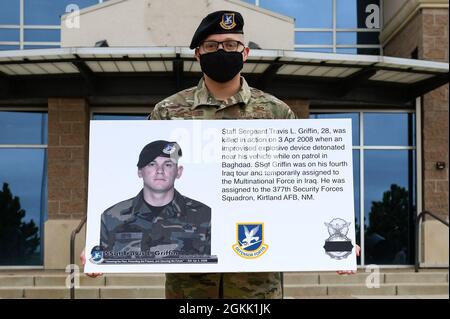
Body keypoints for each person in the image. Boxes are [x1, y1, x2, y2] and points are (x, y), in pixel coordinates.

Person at [82, 9, 359, 297]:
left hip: (256, 282)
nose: (221, 51)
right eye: (212, 46)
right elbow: (137, 180)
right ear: (198, 54)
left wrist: (337, 240)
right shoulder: (168, 112)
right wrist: (98, 242)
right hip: (190, 285)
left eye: (230, 44)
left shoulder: (276, 113)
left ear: (245, 52)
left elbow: (303, 184)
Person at [99, 140, 211, 260]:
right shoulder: (111, 217)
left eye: (168, 164)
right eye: (152, 164)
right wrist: (92, 261)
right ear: (140, 171)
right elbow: (99, 259)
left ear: (179, 172)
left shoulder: (204, 215)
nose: (160, 170)